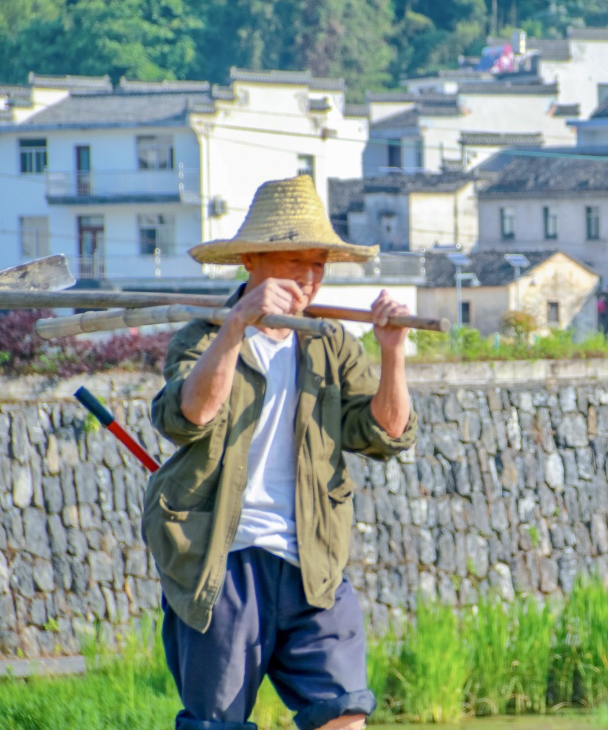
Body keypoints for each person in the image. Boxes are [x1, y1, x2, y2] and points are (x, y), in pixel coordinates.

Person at [145, 175, 418, 730]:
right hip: (221, 564)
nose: (308, 278)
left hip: (313, 564)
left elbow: (386, 433)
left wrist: (392, 354)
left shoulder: (330, 342)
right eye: (294, 260)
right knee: (215, 724)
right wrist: (237, 326)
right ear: (251, 259)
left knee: (344, 716)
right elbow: (187, 417)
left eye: (318, 263)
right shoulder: (202, 336)